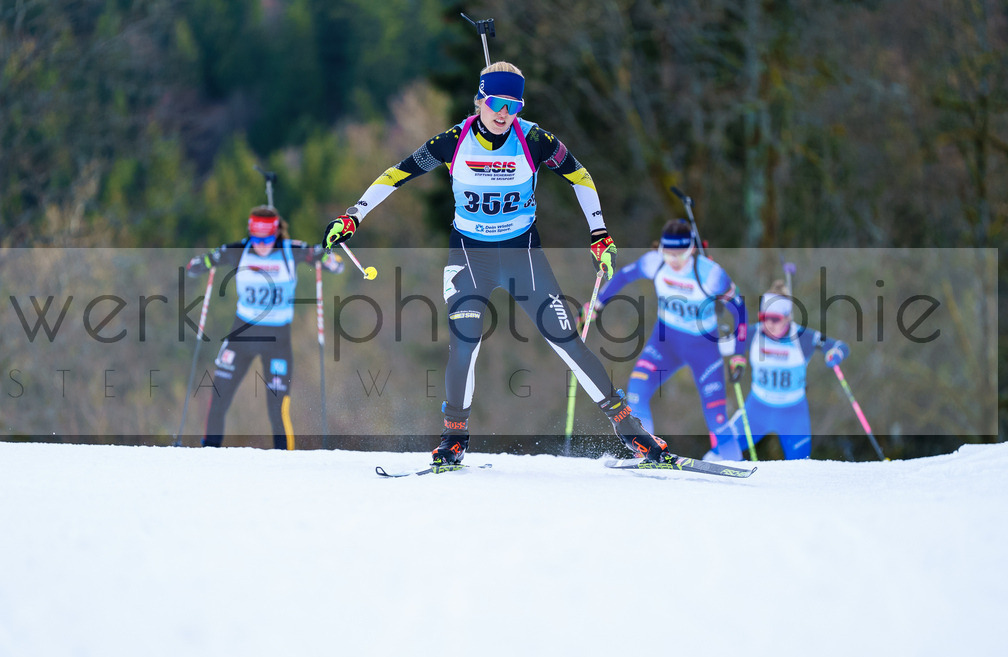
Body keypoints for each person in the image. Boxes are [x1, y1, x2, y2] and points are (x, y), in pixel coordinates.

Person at [321, 61, 672, 465]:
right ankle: (454, 438)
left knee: (566, 341)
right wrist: (354, 215)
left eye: (513, 105)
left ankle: (633, 433)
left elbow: (581, 177)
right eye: (496, 103)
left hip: (522, 257)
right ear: (479, 101)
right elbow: (395, 175)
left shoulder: (534, 139)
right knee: (464, 344)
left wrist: (599, 233)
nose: (504, 113)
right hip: (471, 258)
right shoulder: (454, 141)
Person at [583, 218, 748, 459]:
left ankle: (735, 463)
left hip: (703, 348)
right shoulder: (655, 262)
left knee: (716, 415)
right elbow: (623, 277)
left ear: (691, 249)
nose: (673, 260)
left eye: (679, 254)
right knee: (637, 390)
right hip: (665, 341)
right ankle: (646, 451)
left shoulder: (710, 273)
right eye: (667, 253)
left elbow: (739, 307)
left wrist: (739, 354)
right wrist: (597, 303)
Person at [187, 205, 345, 450]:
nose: (261, 245)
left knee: (277, 407)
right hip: (241, 335)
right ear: (250, 234)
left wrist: (328, 259)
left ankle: (285, 459)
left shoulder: (291, 251)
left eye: (268, 239)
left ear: (277, 234)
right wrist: (200, 264)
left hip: (277, 340)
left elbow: (334, 263)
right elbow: (201, 262)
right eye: (256, 238)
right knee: (218, 397)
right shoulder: (238, 251)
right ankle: (209, 451)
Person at [705, 280, 849, 461]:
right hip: (757, 409)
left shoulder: (803, 338)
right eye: (764, 317)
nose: (769, 324)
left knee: (801, 465)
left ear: (788, 317)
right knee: (720, 449)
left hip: (793, 413)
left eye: (775, 319)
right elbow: (720, 347)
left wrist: (835, 353)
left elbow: (839, 346)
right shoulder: (753, 334)